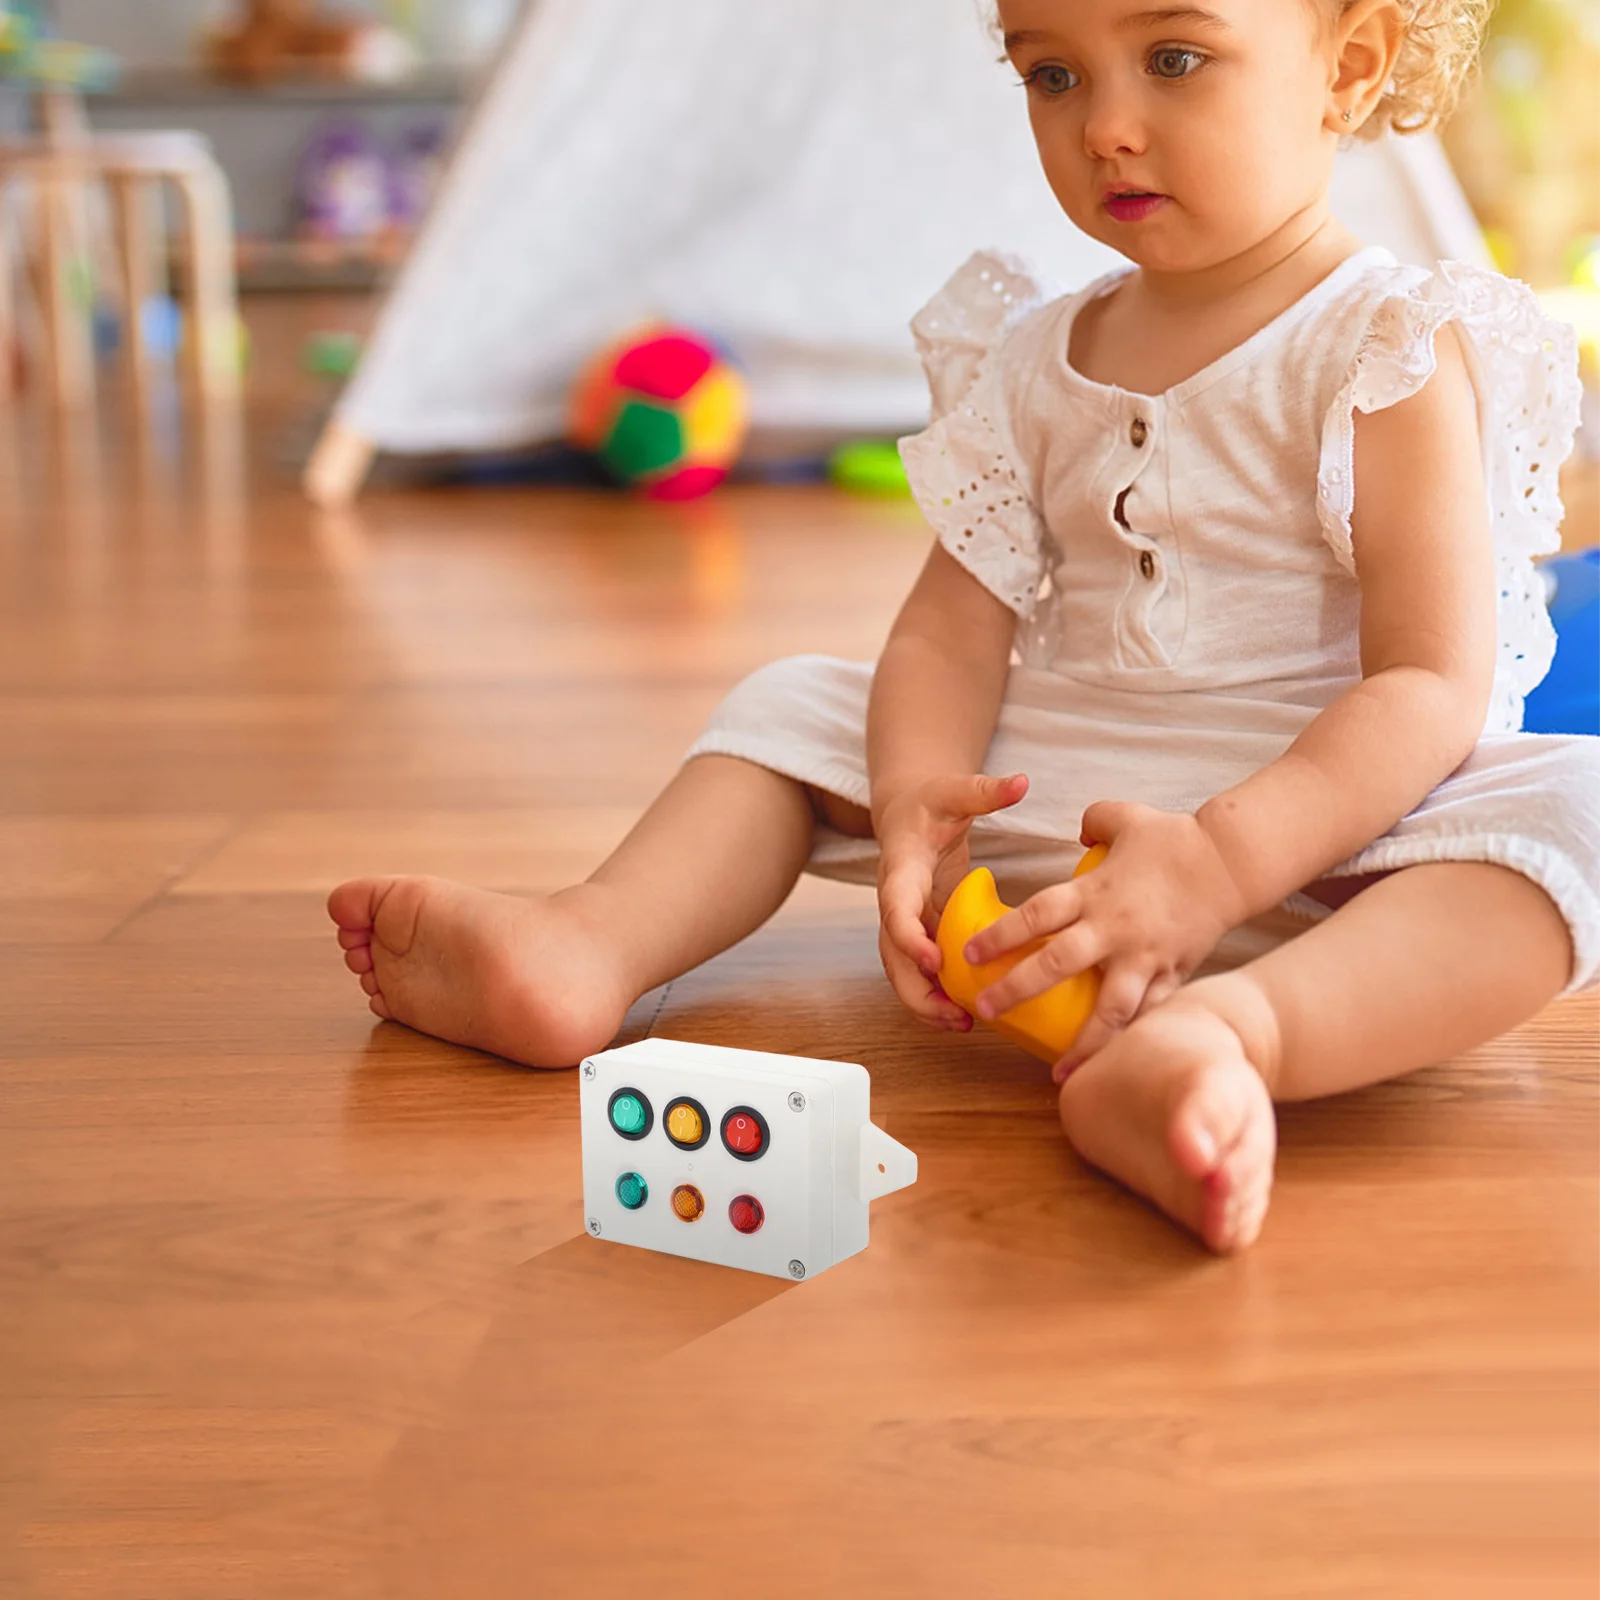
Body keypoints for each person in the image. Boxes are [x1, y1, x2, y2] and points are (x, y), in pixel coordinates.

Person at [329, 0, 1598, 1253]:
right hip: (1061, 808)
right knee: (796, 703)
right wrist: (914, 800)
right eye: (1051, 75)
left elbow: (1431, 682)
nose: (1105, 127)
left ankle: (1229, 1036)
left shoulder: (1387, 344)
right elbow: (948, 627)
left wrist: (1220, 861)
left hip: (1328, 839)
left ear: (1351, 61)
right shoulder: (1038, 349)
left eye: (1172, 59)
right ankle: (588, 943)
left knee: (1575, 812)